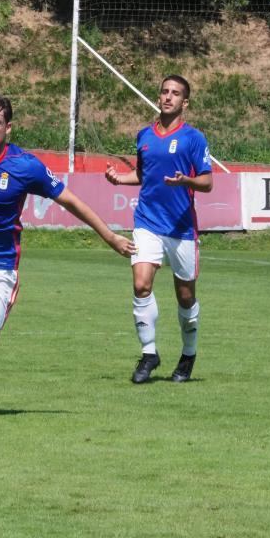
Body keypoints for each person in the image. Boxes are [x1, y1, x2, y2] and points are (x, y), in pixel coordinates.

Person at [0, 91, 137, 420]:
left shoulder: (26, 166)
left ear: (9, 128)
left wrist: (110, 236)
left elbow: (71, 201)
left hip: (0, 265)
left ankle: (3, 296)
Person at [105, 74, 213, 384]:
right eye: (164, 91)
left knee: (185, 298)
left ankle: (188, 354)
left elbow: (207, 182)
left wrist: (186, 181)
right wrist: (119, 178)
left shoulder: (194, 138)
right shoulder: (144, 135)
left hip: (180, 228)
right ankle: (149, 353)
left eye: (175, 93)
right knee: (141, 284)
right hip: (147, 222)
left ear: (185, 102)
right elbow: (142, 174)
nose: (168, 97)